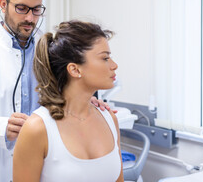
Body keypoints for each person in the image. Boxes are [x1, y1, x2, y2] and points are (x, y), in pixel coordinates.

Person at [0, 0, 111, 182]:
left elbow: (64, 89)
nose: (30, 18)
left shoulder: (48, 47)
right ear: (3, 4)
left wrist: (84, 99)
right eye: (21, 8)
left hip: (46, 161)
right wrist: (3, 127)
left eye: (36, 10)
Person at [13, 20, 124, 182]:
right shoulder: (37, 129)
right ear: (74, 69)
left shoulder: (109, 119)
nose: (114, 65)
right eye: (105, 58)